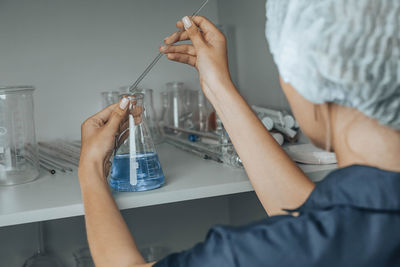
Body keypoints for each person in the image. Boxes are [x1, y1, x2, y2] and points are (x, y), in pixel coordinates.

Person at [78, 0, 400, 266]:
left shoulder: (252, 256)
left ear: (314, 79)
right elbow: (322, 224)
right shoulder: (364, 223)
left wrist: (91, 169)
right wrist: (218, 86)